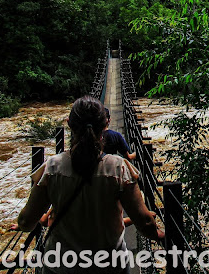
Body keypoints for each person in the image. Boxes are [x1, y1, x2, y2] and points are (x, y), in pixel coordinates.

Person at [17, 95, 164, 273]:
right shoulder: (118, 168)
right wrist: (164, 237)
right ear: (105, 125)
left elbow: (26, 222)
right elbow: (145, 223)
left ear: (69, 124)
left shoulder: (52, 167)